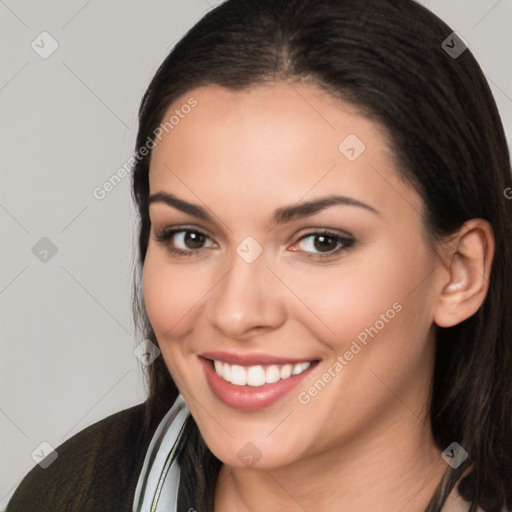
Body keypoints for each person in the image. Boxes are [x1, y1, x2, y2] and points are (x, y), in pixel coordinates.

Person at [7, 0, 512, 511]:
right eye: (191, 237)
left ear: (459, 272)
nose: (235, 312)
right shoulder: (67, 494)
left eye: (321, 241)